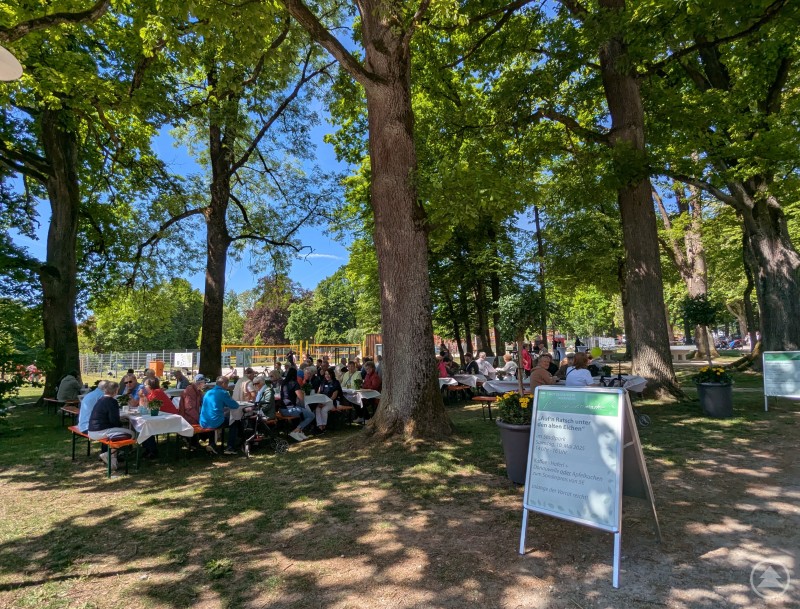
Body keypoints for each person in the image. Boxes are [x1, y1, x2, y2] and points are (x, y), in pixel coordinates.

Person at [199, 376, 242, 455]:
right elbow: (235, 405)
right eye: (227, 384)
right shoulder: (223, 393)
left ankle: (212, 444)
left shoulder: (208, 392)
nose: (227, 386)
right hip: (215, 421)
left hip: (203, 420)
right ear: (223, 384)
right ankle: (230, 447)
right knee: (234, 422)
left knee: (215, 420)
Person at [280, 367, 315, 442]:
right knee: (311, 415)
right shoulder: (294, 383)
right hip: (290, 409)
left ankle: (300, 431)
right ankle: (295, 431)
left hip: (282, 409)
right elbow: (301, 397)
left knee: (303, 413)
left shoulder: (283, 383)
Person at [316, 368, 341, 433]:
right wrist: (319, 402)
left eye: (329, 374)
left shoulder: (336, 382)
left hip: (332, 401)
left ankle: (324, 426)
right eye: (326, 374)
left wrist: (324, 403)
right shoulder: (323, 382)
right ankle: (320, 426)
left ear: (332, 374)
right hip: (322, 401)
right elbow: (318, 392)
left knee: (324, 410)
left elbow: (334, 396)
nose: (327, 375)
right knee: (317, 409)